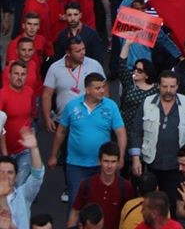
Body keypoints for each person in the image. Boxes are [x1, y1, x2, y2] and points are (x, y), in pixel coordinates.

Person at [129, 71, 185, 209]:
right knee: (151, 203)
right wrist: (136, 158)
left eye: (172, 87)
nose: (168, 90)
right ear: (158, 85)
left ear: (178, 86)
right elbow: (136, 131)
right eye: (164, 86)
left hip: (177, 165)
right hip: (152, 162)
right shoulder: (147, 102)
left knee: (174, 203)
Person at [48, 73, 126, 209]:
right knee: (75, 202)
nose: (102, 91)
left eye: (103, 87)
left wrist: (121, 157)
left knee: (100, 204)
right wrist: (54, 156)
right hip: (75, 164)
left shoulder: (111, 106)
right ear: (87, 89)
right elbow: (61, 131)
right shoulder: (72, 106)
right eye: (97, 88)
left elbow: (121, 133)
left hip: (102, 165)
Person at [68, 142, 133, 229]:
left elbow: (129, 215)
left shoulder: (126, 186)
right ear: (99, 161)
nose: (109, 166)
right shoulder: (87, 184)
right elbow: (75, 212)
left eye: (113, 162)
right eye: (106, 161)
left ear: (118, 162)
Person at [0, 128, 45, 229]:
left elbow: (37, 176)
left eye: (10, 173)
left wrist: (34, 148)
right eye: (1, 172)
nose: (5, 176)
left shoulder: (23, 194)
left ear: (16, 177)